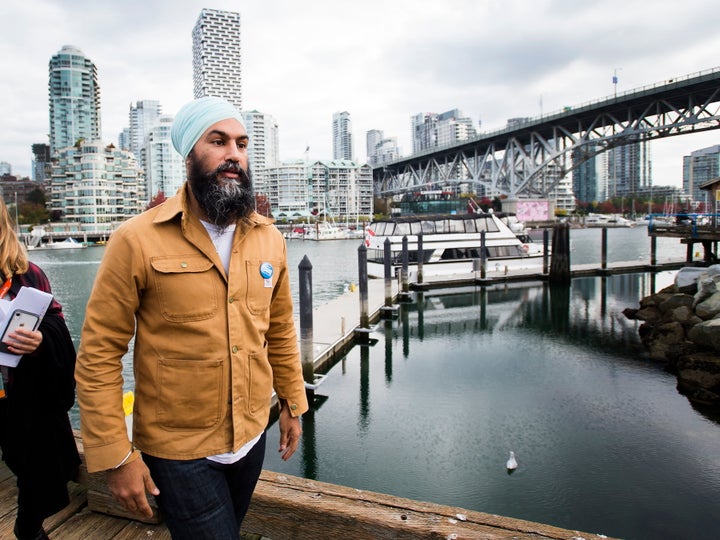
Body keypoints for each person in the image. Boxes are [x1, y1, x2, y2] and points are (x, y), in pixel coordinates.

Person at [75, 96, 309, 539]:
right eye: (217, 141)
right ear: (188, 154)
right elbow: (99, 354)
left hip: (252, 434)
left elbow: (278, 331)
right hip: (178, 449)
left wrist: (293, 404)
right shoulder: (136, 240)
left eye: (241, 144)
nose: (233, 155)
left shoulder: (269, 239)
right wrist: (116, 456)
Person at [0, 200, 80, 540]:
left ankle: (29, 527)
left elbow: (55, 323)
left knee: (33, 465)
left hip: (20, 391)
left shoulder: (28, 274)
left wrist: (41, 340)